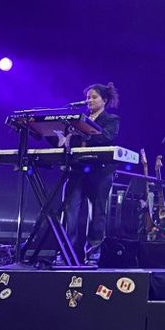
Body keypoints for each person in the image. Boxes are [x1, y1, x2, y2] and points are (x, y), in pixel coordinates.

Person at [63, 82, 120, 265]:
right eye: (88, 97)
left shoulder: (111, 120)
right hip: (78, 169)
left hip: (100, 170)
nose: (89, 100)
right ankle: (66, 251)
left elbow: (106, 138)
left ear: (104, 100)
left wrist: (85, 133)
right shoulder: (78, 119)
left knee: (97, 212)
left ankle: (93, 252)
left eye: (94, 97)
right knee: (70, 211)